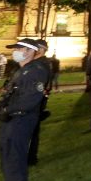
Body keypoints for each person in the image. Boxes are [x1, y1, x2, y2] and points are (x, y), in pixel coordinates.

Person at [0, 38, 50, 181]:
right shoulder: (22, 70)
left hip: (19, 120)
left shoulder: (35, 70)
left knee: (14, 159)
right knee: (7, 156)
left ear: (30, 51)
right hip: (11, 120)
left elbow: (31, 99)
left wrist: (8, 110)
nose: (15, 51)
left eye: (19, 48)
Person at [27, 39, 53, 167]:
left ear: (40, 49)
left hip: (34, 102)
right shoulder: (42, 63)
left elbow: (40, 85)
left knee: (31, 131)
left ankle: (30, 158)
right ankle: (30, 157)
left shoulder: (40, 64)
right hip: (36, 101)